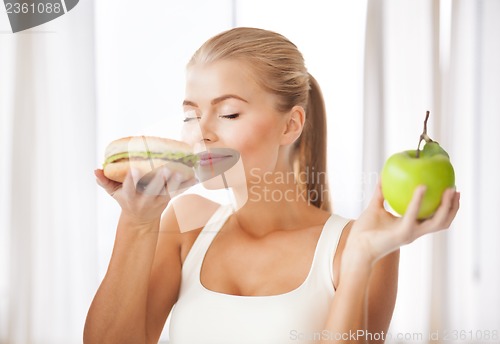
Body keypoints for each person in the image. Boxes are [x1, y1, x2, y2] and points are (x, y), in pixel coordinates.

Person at [84, 27, 460, 344]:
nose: (202, 133)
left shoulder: (354, 246)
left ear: (290, 125)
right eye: (190, 114)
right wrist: (138, 222)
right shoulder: (186, 224)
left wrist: (362, 257)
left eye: (228, 113)